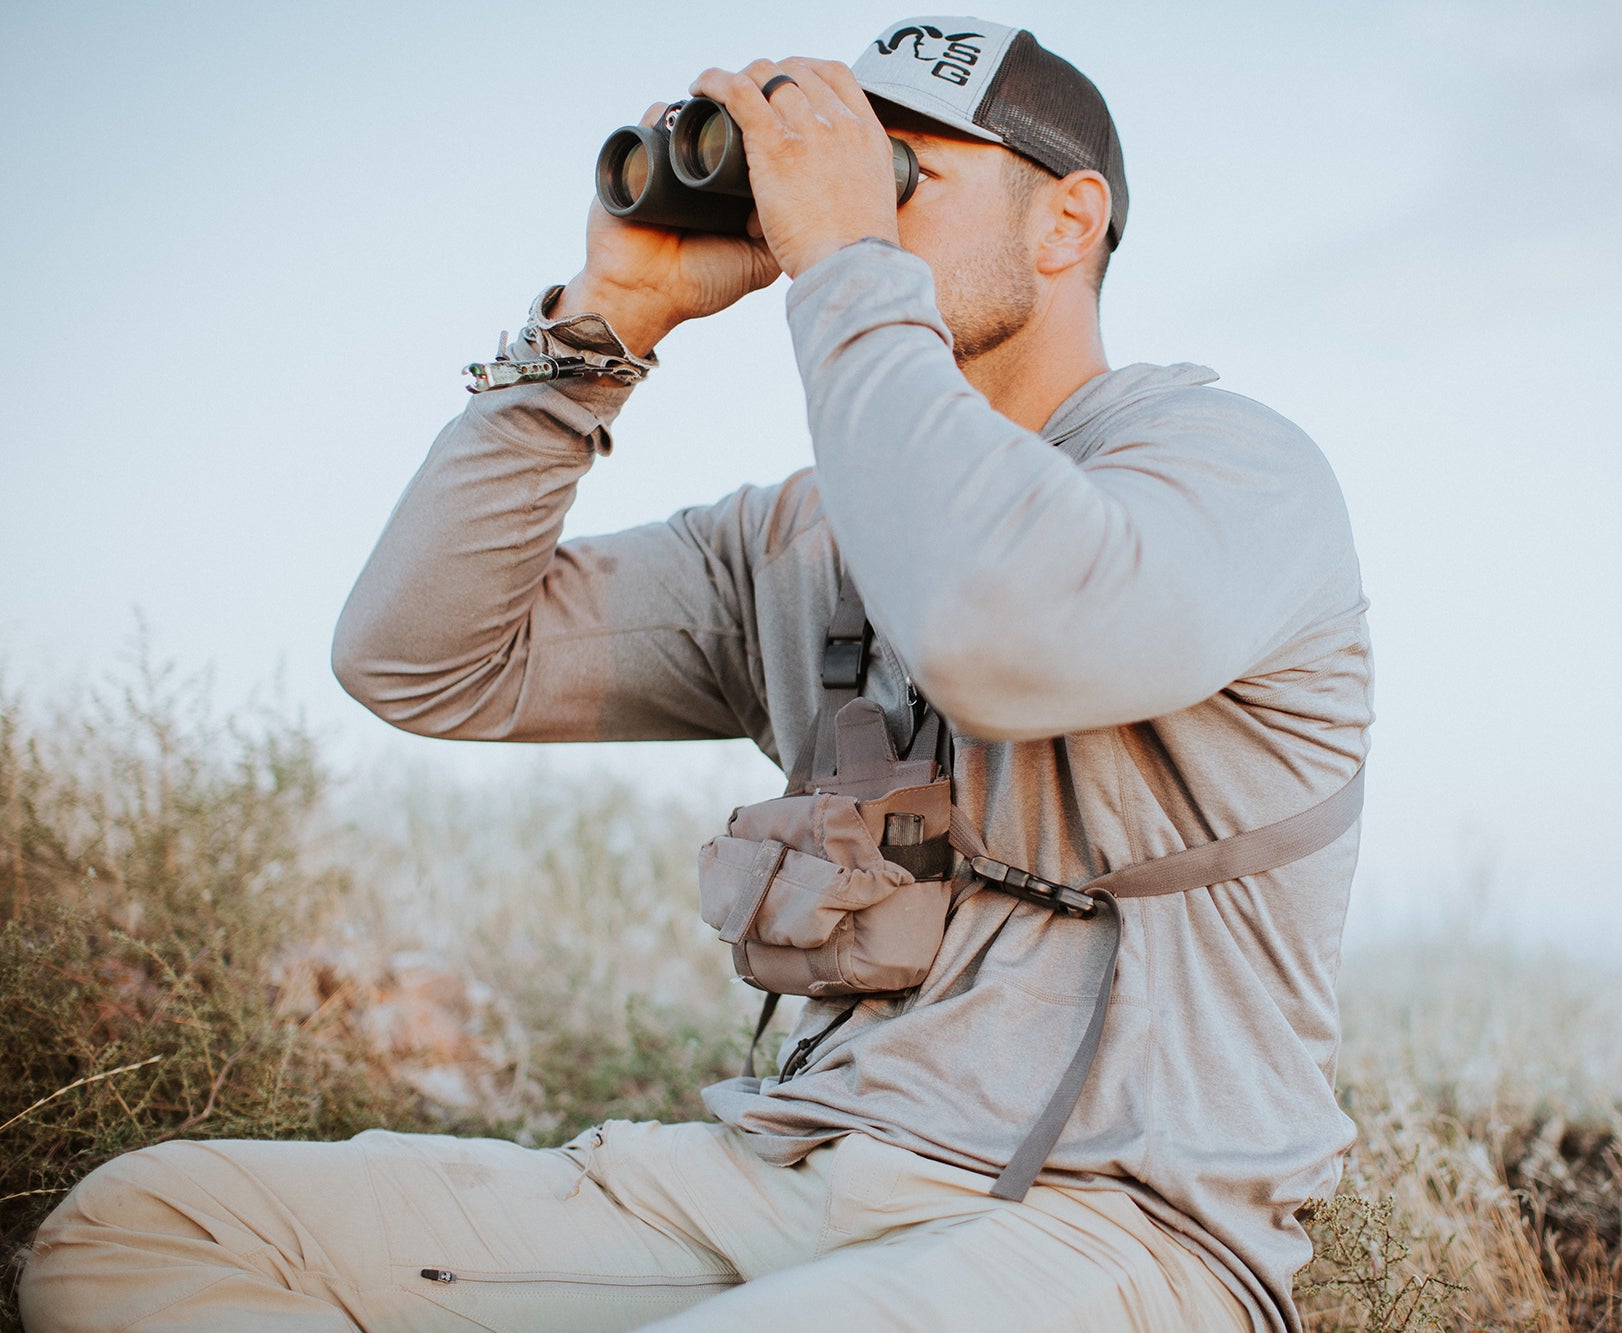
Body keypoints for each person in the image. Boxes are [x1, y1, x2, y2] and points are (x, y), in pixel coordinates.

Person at [19, 16, 1372, 1333]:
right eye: (835, 167)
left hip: (1108, 1228)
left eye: (904, 172)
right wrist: (603, 329)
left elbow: (996, 623)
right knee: (145, 1229)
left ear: (1066, 224)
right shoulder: (798, 539)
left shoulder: (1230, 473)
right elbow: (423, 659)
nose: (847, 209)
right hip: (795, 1173)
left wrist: (847, 252)